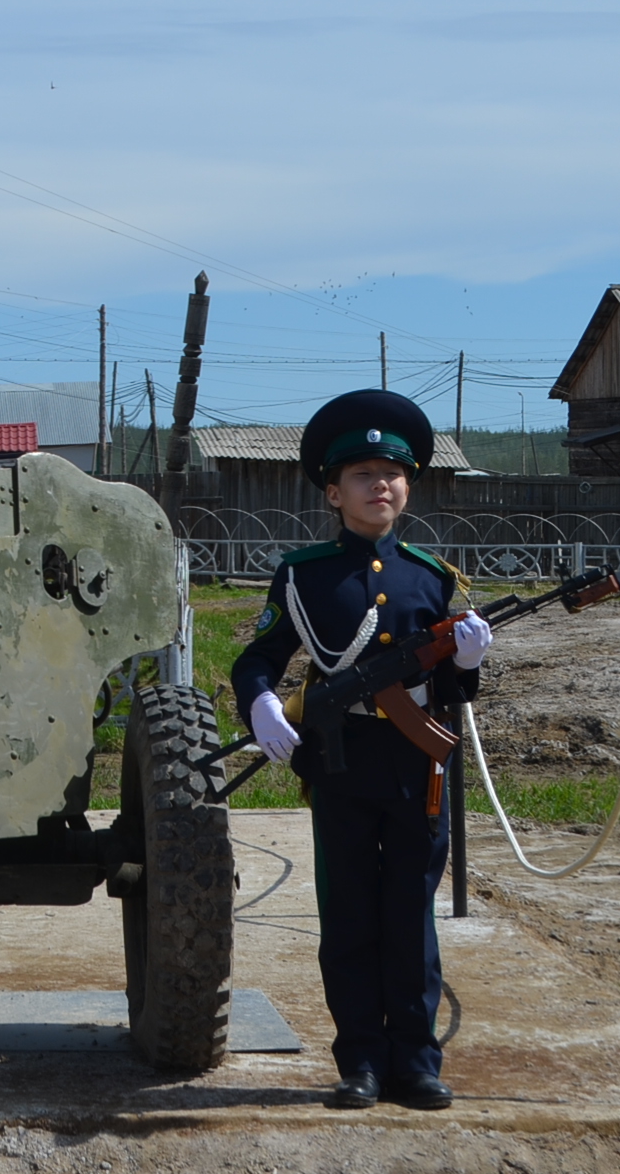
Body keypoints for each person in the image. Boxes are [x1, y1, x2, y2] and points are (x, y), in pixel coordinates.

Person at [228, 389, 493, 1112]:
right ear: (333, 492)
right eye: (364, 475)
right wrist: (258, 704)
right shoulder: (305, 575)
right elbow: (261, 657)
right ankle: (361, 1065)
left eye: (393, 475)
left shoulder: (434, 579)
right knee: (348, 917)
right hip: (340, 768)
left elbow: (454, 694)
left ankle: (416, 1061)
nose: (382, 486)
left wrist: (465, 660)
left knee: (411, 916)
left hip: (418, 771)